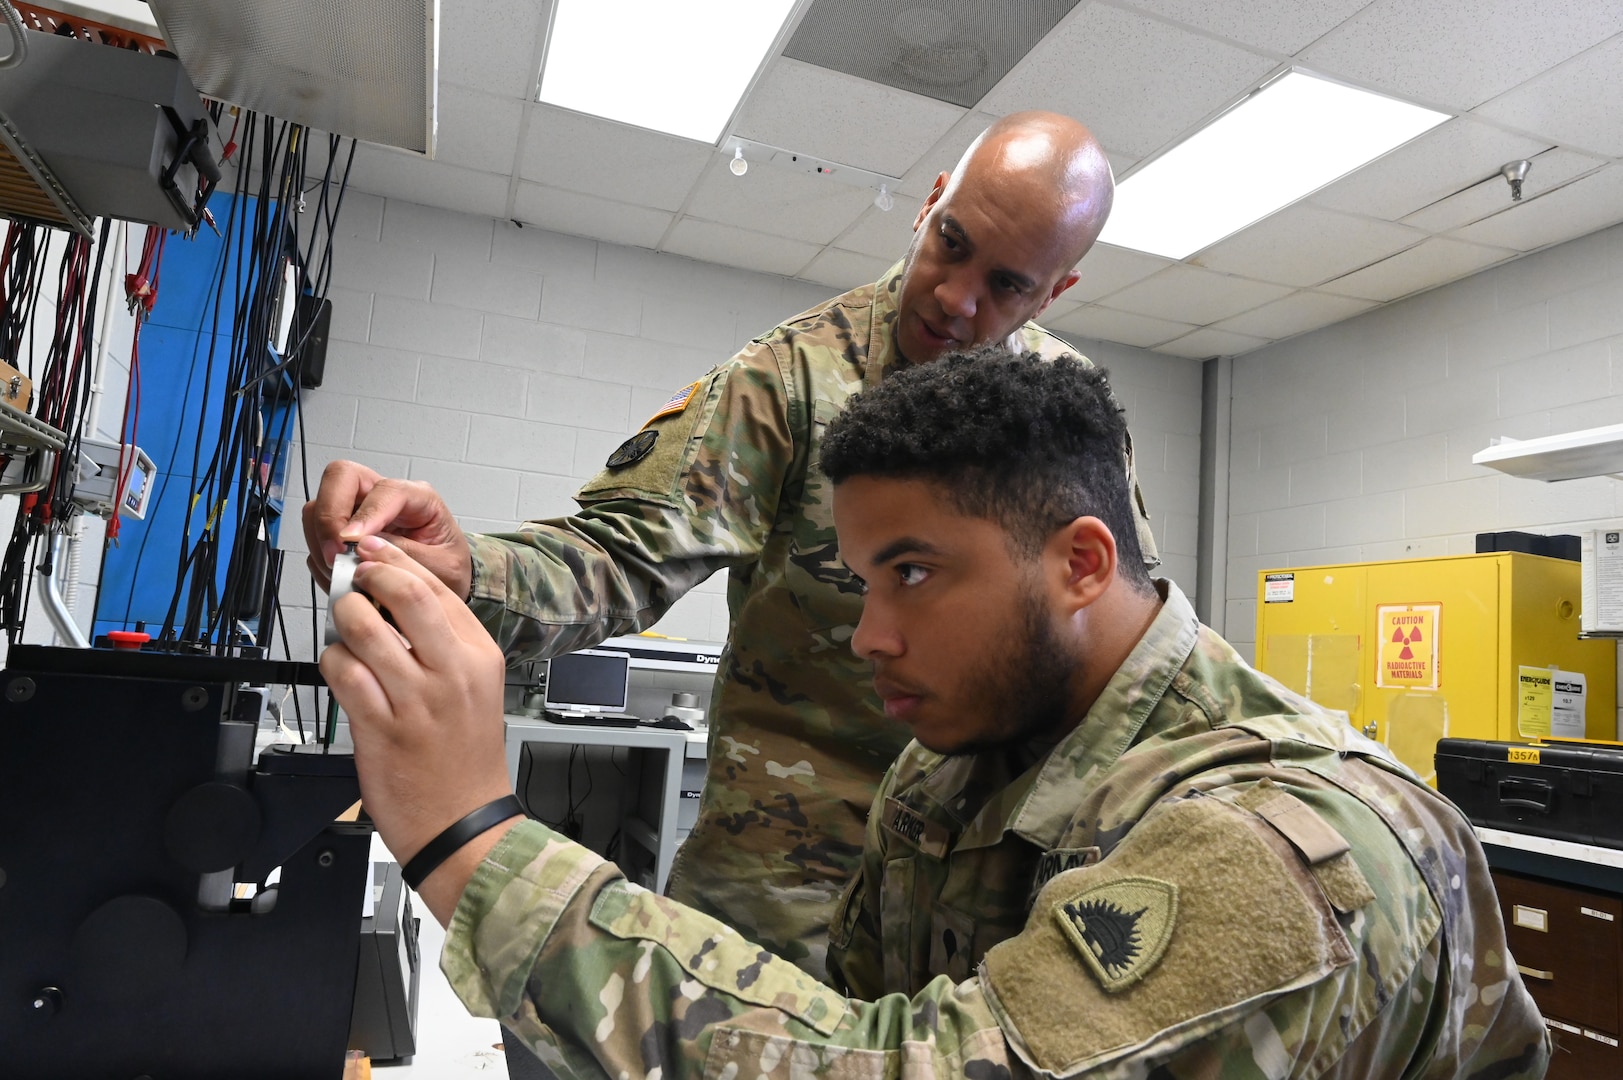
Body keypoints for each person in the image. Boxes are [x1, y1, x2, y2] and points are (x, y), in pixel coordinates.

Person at [321, 346, 1549, 1079]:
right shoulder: (953, 766)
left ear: (1078, 562)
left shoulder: (1277, 851)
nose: (868, 635)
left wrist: (471, 838)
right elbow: (860, 1023)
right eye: (860, 584)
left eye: (913, 572)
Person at [304, 110, 1159, 978]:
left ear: (1055, 292)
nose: (952, 295)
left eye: (1006, 284)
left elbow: (1127, 630)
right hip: (788, 880)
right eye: (950, 242)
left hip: (984, 897)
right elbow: (620, 556)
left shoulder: (1067, 415)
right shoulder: (790, 379)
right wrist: (460, 567)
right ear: (929, 203)